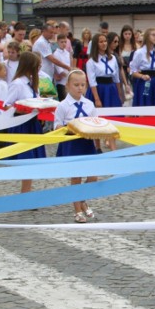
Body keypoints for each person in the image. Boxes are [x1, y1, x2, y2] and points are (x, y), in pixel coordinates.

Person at [54, 69, 100, 223]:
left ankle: (82, 199)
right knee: (76, 177)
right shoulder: (62, 106)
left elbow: (95, 122)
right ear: (67, 85)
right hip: (72, 143)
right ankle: (77, 210)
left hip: (87, 143)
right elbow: (57, 126)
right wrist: (70, 127)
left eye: (82, 85)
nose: (80, 88)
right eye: (76, 85)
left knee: (93, 176)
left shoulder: (89, 104)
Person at [3, 52, 46, 193]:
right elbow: (7, 105)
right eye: (37, 65)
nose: (39, 68)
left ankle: (27, 190)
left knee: (32, 160)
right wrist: (22, 110)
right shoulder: (17, 84)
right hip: (22, 125)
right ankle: (25, 192)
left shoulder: (33, 83)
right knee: (26, 159)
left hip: (33, 123)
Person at [129, 27, 155, 107]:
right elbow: (132, 71)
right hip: (146, 81)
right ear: (147, 36)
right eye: (153, 35)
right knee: (146, 102)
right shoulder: (140, 52)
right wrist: (142, 76)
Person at [86, 33, 122, 112]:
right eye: (101, 42)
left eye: (105, 41)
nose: (104, 44)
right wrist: (97, 99)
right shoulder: (91, 62)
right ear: (96, 44)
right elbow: (92, 82)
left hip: (111, 88)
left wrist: (119, 94)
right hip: (99, 89)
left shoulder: (113, 58)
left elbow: (116, 78)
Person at [52, 33, 72, 101]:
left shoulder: (67, 53)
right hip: (61, 82)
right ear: (57, 42)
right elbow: (59, 70)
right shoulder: (56, 54)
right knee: (62, 99)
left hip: (68, 80)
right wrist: (69, 76)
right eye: (62, 42)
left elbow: (69, 65)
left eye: (65, 42)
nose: (64, 44)